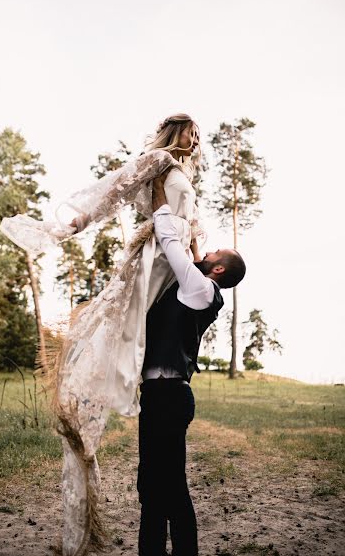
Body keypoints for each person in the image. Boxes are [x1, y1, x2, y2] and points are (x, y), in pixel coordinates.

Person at [0, 114, 207, 555]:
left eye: (199, 132)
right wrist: (75, 223)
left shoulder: (186, 178)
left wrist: (195, 252)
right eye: (191, 129)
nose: (196, 136)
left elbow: (191, 241)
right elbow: (114, 188)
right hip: (158, 257)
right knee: (114, 328)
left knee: (164, 328)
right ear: (176, 131)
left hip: (176, 260)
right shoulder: (158, 161)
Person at [137, 173, 246, 556]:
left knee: (170, 486)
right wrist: (194, 227)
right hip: (156, 393)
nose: (206, 253)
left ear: (218, 271)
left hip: (169, 395)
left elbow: (171, 244)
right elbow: (193, 253)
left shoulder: (199, 288)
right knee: (150, 486)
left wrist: (159, 204)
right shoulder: (200, 286)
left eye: (213, 254)